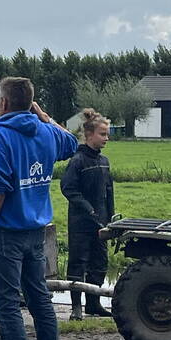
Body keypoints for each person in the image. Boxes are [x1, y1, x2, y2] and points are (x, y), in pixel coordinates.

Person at [0, 77, 78, 340]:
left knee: (6, 303)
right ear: (31, 102)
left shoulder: (1, 136)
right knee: (39, 300)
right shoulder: (46, 132)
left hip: (6, 230)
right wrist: (44, 116)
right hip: (37, 229)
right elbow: (72, 142)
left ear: (2, 104)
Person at [61, 109, 115, 320]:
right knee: (78, 262)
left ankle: (94, 303)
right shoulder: (77, 161)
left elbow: (109, 192)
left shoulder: (104, 161)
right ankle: (76, 308)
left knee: (99, 263)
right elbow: (68, 188)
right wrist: (87, 209)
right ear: (89, 134)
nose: (106, 138)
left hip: (101, 222)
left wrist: (110, 216)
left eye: (107, 134)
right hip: (81, 223)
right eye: (103, 134)